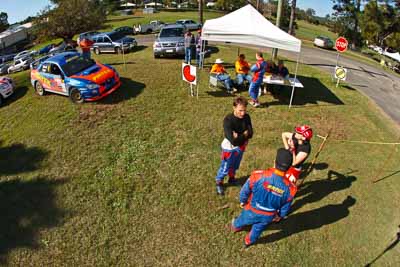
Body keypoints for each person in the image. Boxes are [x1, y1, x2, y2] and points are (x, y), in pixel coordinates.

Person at [230, 148, 297, 247]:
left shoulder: (258, 176)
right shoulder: (291, 189)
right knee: (258, 229)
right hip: (268, 215)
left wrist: (243, 201)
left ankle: (235, 227)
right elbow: (285, 208)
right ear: (289, 168)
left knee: (242, 219)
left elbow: (245, 191)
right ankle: (248, 241)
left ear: (274, 161)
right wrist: (280, 216)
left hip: (252, 209)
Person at [215, 96, 253, 195]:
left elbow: (251, 133)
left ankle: (232, 179)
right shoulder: (228, 120)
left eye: (244, 110)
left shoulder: (247, 117)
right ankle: (219, 182)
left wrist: (239, 136)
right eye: (240, 110)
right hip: (229, 149)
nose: (243, 113)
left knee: (235, 165)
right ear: (234, 108)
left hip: (241, 146)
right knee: (225, 167)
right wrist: (244, 134)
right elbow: (233, 141)